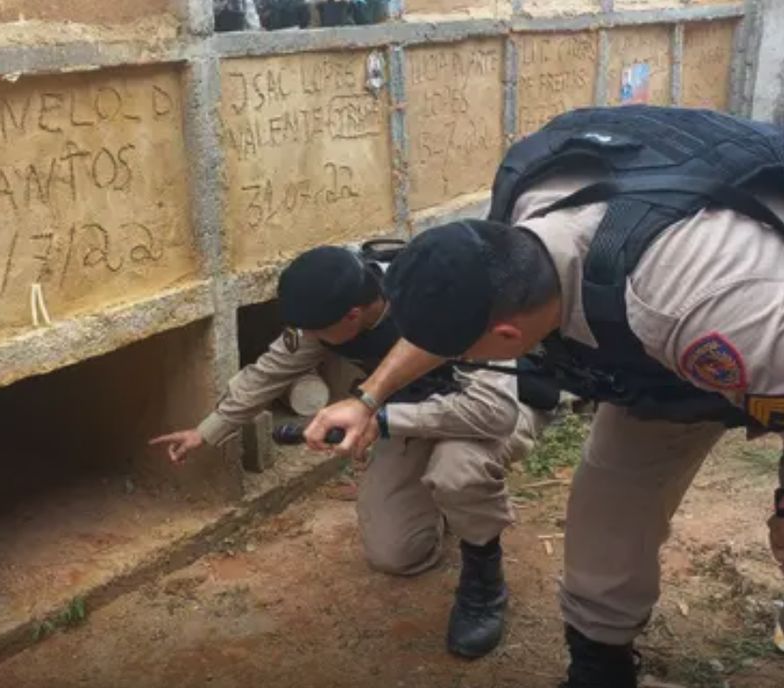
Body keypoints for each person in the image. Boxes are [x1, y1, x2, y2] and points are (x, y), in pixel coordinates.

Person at [302, 105, 784, 687]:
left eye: (467, 353)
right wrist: (370, 397)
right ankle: (599, 667)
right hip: (663, 362)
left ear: (507, 339)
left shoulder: (695, 303)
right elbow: (461, 315)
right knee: (605, 515)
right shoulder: (520, 230)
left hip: (754, 318)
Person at [150, 243, 557, 659]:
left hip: (498, 408)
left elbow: (493, 413)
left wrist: (378, 420)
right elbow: (270, 371)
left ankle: (483, 581)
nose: (308, 339)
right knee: (394, 553)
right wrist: (207, 430)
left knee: (457, 470)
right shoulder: (337, 310)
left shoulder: (443, 300)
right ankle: (449, 506)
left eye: (316, 331)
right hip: (413, 413)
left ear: (353, 316)